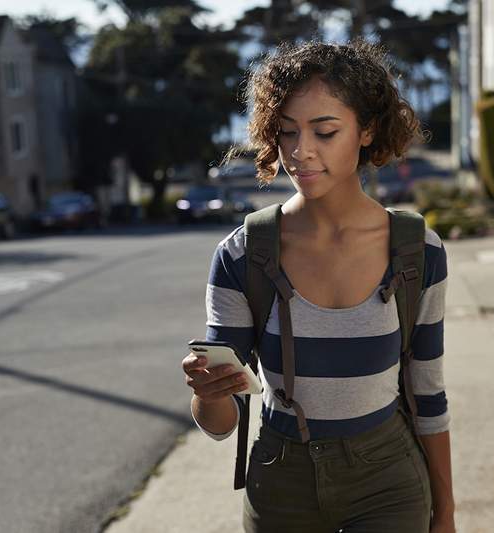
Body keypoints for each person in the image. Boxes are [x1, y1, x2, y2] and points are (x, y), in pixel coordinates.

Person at [182, 40, 455, 533]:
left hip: (388, 478)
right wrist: (207, 390)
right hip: (280, 479)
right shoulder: (243, 254)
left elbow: (428, 394)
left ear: (367, 131)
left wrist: (447, 513)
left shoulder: (417, 251)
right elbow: (221, 423)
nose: (299, 151)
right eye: (286, 132)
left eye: (325, 131)